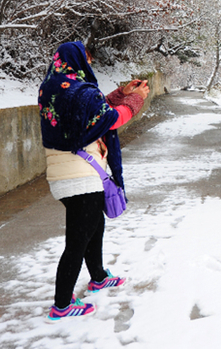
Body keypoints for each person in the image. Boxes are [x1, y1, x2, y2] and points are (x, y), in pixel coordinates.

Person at [38, 41, 149, 322]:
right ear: (76, 59)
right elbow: (108, 118)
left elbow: (92, 111)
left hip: (65, 175)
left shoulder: (55, 87)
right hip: (80, 177)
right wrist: (134, 100)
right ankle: (62, 305)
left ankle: (98, 276)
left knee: (93, 226)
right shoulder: (79, 91)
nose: (89, 62)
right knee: (76, 241)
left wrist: (121, 93)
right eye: (86, 57)